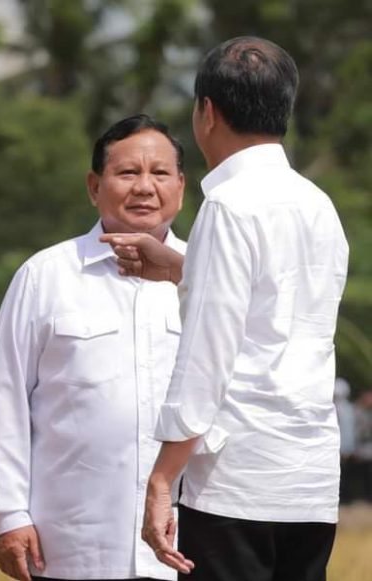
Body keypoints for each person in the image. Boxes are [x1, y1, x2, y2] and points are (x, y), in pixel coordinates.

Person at [103, 37, 349, 581]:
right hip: (309, 485)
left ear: (206, 112)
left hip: (238, 488)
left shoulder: (229, 207)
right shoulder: (319, 205)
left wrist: (164, 476)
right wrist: (180, 265)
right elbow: (274, 306)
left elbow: (207, 358)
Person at [0, 114, 187, 581]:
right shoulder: (45, 276)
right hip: (69, 545)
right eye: (128, 173)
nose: (145, 187)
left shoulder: (206, 278)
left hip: (186, 542)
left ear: (182, 187)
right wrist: (7, 515)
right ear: (94, 186)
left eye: (160, 173)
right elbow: (5, 397)